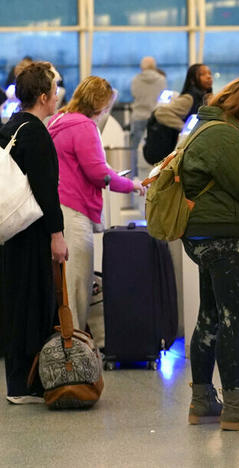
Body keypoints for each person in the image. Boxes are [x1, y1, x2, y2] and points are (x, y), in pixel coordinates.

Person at [180, 78, 239, 430]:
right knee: (233, 321)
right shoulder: (225, 135)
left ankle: (202, 400)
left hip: (208, 235)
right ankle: (234, 402)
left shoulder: (207, 127)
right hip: (231, 237)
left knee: (210, 318)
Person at [48, 76, 145, 331]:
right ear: (101, 105)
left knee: (63, 287)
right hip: (74, 212)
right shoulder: (84, 126)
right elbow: (97, 173)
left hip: (58, 208)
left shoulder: (59, 120)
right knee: (78, 289)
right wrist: (131, 185)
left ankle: (65, 345)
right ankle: (74, 351)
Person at [0, 62, 68, 404]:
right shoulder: (37, 132)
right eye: (54, 92)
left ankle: (17, 382)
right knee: (35, 302)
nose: (57, 98)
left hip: (9, 232)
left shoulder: (10, 126)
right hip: (32, 233)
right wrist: (57, 234)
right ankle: (29, 382)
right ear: (43, 96)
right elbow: (46, 190)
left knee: (13, 303)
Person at [130, 56, 167, 178]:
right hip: (155, 118)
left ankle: (135, 176)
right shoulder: (162, 80)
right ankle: (156, 176)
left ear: (142, 67)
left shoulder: (135, 80)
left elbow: (134, 95)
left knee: (136, 149)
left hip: (139, 116)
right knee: (155, 148)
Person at [154, 63, 213, 133]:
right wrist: (186, 129)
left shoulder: (207, 97)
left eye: (209, 73)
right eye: (202, 74)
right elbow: (161, 113)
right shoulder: (188, 98)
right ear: (192, 80)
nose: (208, 77)